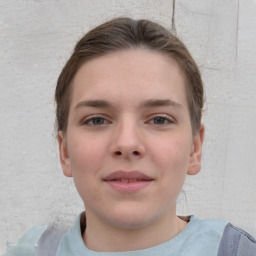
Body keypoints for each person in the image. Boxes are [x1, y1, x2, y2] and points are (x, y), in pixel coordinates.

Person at [3, 17, 256, 256]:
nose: (126, 144)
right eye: (97, 120)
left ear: (194, 149)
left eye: (159, 119)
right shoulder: (30, 250)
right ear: (65, 151)